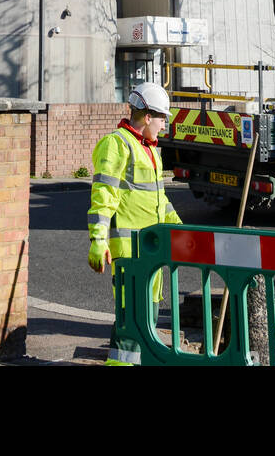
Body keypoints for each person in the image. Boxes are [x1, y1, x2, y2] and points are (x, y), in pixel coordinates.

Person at [87, 81, 181, 366]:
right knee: (131, 319)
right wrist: (98, 240)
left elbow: (160, 201)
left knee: (148, 318)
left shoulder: (151, 150)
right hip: (129, 252)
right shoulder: (117, 144)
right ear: (148, 116)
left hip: (149, 251)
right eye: (162, 117)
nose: (165, 124)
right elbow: (104, 196)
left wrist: (180, 229)